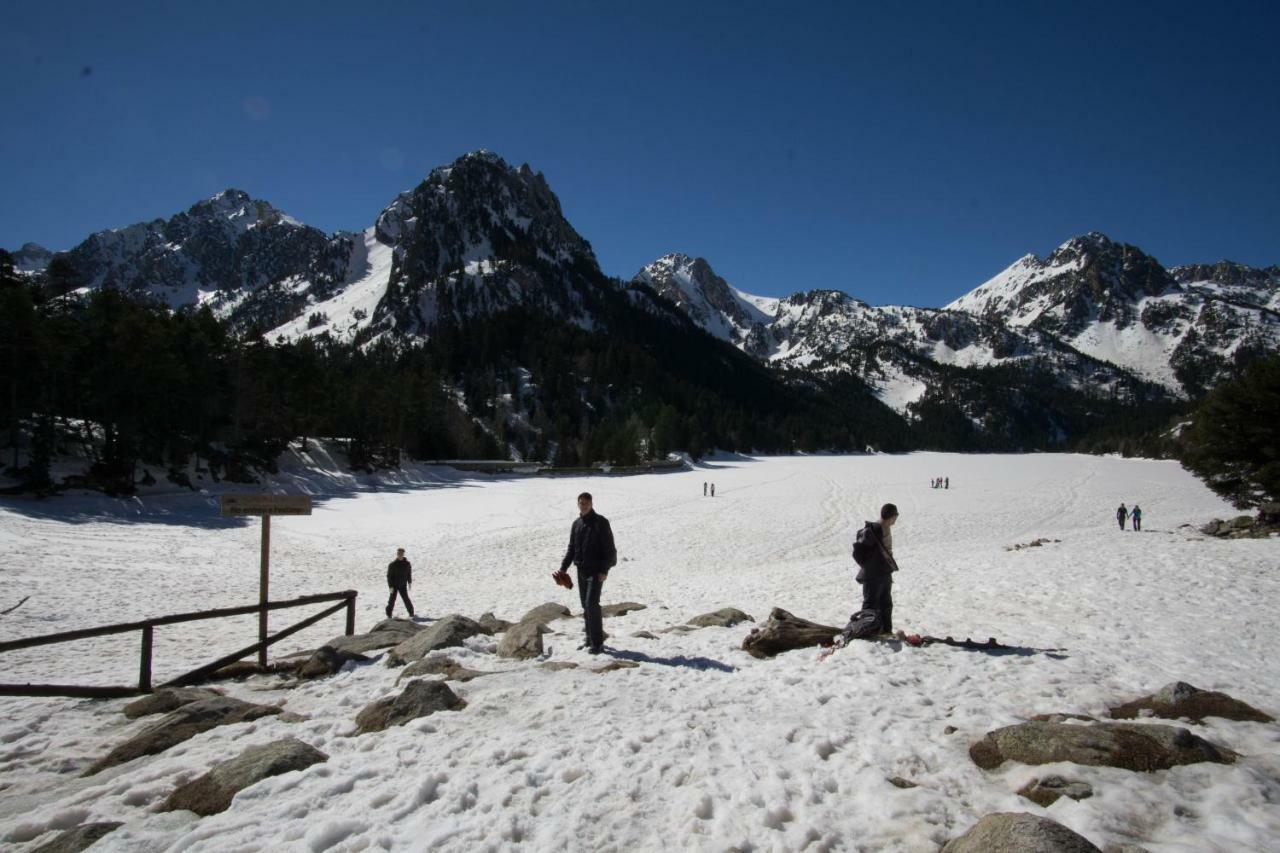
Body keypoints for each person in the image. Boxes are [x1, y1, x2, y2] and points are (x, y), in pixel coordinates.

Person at [559, 492, 617, 654]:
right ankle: (589, 639)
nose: (583, 505)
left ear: (591, 503)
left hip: (596, 571)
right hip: (581, 570)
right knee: (585, 605)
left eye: (586, 503)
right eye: (580, 503)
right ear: (577, 504)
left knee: (592, 604)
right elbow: (572, 548)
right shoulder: (576, 524)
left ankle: (597, 643)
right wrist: (563, 568)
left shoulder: (601, 522)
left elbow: (610, 549)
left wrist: (605, 570)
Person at [853, 503, 900, 634]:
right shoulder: (875, 529)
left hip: (884, 573)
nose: (896, 518)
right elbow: (858, 552)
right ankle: (865, 632)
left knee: (886, 603)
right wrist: (869, 566)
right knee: (870, 604)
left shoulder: (884, 527)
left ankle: (886, 631)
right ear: (891, 516)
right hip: (873, 575)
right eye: (896, 515)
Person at [386, 547, 414, 619]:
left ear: (403, 554)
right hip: (393, 586)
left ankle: (411, 613)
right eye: (398, 553)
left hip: (402, 585)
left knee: (406, 599)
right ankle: (389, 615)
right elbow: (389, 576)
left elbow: (408, 573)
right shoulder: (392, 565)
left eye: (401, 553)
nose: (399, 555)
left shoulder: (407, 564)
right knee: (392, 600)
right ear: (397, 554)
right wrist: (390, 586)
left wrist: (409, 582)